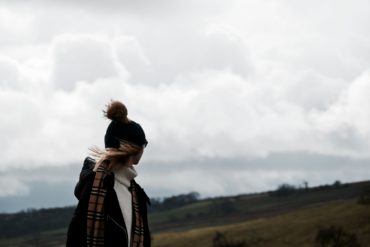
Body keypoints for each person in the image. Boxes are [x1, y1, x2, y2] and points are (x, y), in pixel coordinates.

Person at [66, 100, 151, 247]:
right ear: (135, 148)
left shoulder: (136, 194)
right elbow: (76, 239)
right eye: (144, 144)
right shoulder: (95, 186)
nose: (144, 149)